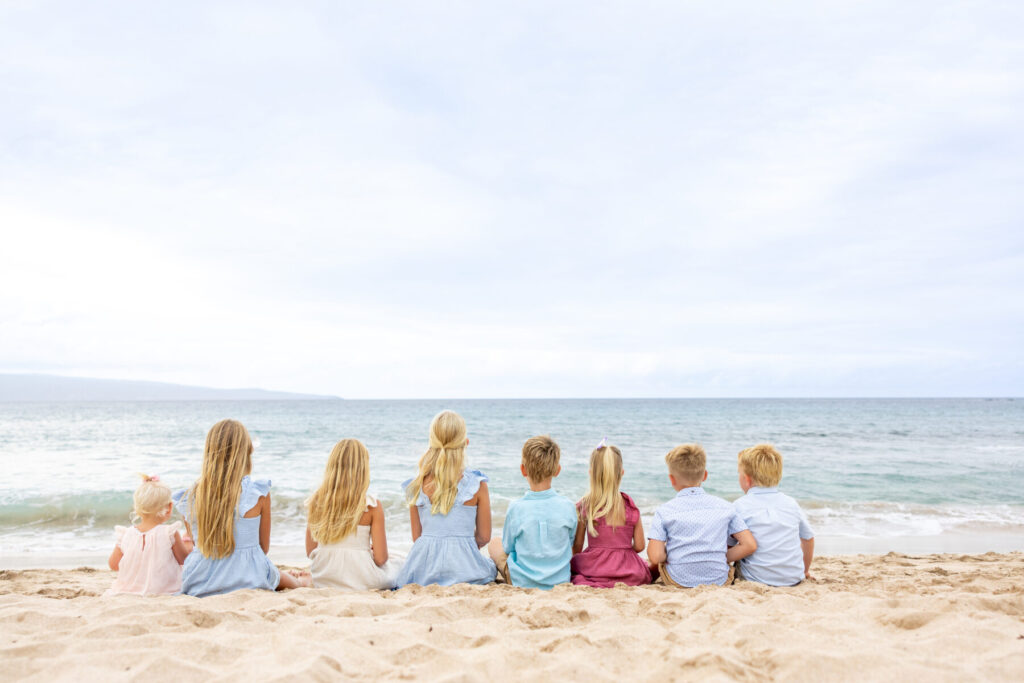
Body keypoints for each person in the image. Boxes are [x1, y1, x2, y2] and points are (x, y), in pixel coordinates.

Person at [173, 419, 310, 596]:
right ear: (246, 453)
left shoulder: (188, 498)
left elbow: (197, 544)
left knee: (277, 574)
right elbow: (263, 548)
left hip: (200, 579)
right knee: (286, 580)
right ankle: (301, 582)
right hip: (249, 577)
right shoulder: (257, 493)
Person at [396, 410, 496, 586]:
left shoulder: (416, 485)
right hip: (465, 569)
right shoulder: (477, 485)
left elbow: (417, 537)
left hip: (424, 571)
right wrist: (461, 548)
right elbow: (484, 537)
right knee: (493, 564)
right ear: (466, 443)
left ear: (431, 443)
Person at [647, 443, 757, 587]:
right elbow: (749, 545)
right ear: (705, 475)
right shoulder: (726, 507)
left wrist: (673, 555)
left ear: (671, 479)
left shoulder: (664, 511)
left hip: (678, 581)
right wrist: (720, 557)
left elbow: (655, 556)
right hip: (719, 581)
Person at [305, 438, 400, 590]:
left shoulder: (316, 502)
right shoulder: (371, 506)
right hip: (362, 579)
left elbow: (310, 551)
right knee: (398, 564)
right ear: (363, 470)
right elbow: (381, 558)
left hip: (323, 576)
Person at [487, 435, 576, 589]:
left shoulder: (516, 508)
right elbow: (570, 543)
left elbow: (508, 547)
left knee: (494, 544)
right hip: (560, 582)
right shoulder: (568, 506)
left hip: (523, 582)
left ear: (523, 470)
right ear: (557, 470)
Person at [570, 441, 651, 587]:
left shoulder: (586, 505)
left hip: (594, 570)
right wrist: (621, 555)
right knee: (651, 568)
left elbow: (577, 546)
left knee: (575, 571)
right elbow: (639, 546)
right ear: (621, 473)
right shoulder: (629, 506)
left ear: (591, 473)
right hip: (628, 572)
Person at [732, 443, 815, 585]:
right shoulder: (791, 503)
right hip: (793, 579)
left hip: (756, 580)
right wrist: (805, 570)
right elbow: (808, 538)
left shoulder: (739, 506)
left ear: (747, 479)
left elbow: (728, 543)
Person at [105, 473, 190, 595]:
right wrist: (189, 544)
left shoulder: (126, 534)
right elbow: (184, 560)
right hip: (164, 591)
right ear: (169, 507)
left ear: (137, 507)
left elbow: (113, 565)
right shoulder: (169, 533)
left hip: (127, 591)